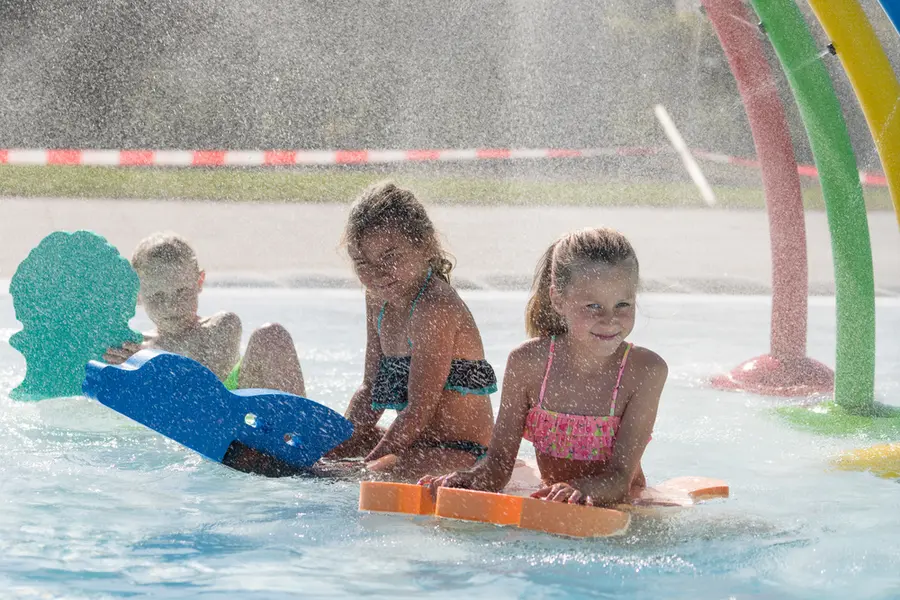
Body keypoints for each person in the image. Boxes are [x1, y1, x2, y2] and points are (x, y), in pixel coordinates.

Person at [420, 227, 668, 505]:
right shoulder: (527, 364)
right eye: (593, 306)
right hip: (553, 501)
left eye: (623, 304)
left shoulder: (645, 370)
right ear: (558, 300)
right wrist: (468, 479)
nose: (610, 319)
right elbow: (498, 466)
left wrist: (581, 490)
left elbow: (620, 478)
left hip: (621, 507)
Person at [328, 181, 498, 482]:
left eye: (390, 257)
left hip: (463, 452)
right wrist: (333, 446)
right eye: (361, 262)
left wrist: (367, 465)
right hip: (415, 443)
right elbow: (370, 389)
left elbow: (419, 410)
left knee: (378, 476)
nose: (376, 273)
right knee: (324, 457)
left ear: (426, 245)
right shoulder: (378, 298)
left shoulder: (435, 306)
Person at [104, 232, 306, 476]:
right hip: (197, 442)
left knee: (271, 335)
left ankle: (301, 440)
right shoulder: (131, 350)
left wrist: (152, 360)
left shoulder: (221, 326)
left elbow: (209, 381)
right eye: (157, 297)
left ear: (199, 282)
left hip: (244, 424)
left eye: (182, 292)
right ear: (137, 294)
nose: (172, 306)